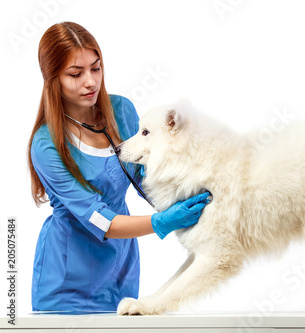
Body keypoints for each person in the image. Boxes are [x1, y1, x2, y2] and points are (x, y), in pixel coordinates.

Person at [27, 21, 209, 312]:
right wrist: (160, 222)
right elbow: (99, 219)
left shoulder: (121, 111)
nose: (90, 81)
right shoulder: (46, 145)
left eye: (95, 68)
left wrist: (198, 196)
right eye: (76, 73)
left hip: (120, 272)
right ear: (53, 79)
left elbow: (147, 178)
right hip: (66, 285)